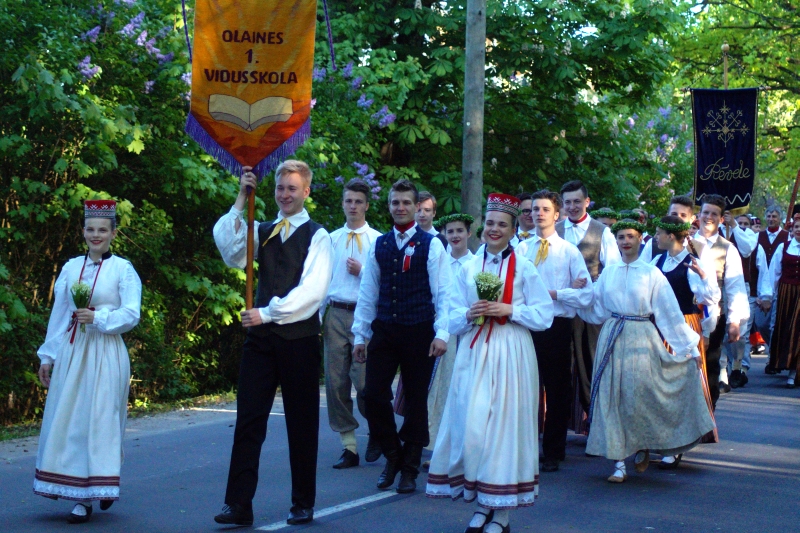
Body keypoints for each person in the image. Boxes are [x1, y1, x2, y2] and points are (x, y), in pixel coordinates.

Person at [212, 161, 333, 527]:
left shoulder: (318, 236)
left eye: (292, 188)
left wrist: (266, 313)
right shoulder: (261, 229)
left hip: (298, 340)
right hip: (261, 342)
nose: (284, 194)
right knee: (249, 420)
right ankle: (238, 504)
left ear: (306, 191)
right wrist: (241, 198)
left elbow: (312, 293)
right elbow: (230, 251)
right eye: (280, 188)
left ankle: (302, 502)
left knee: (301, 423)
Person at [427, 193, 554, 533]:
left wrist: (509, 309)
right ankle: (482, 501)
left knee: (504, 428)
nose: (494, 229)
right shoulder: (468, 267)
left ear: (513, 230)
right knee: (473, 427)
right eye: (490, 223)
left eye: (502, 224)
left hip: (511, 351)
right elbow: (450, 315)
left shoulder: (524, 267)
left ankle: (500, 512)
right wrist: (469, 314)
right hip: (473, 352)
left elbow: (544, 315)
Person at [580, 219, 715, 483]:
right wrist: (570, 295)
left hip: (641, 336)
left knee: (638, 396)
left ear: (641, 239)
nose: (625, 241)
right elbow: (595, 308)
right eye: (621, 237)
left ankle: (641, 443)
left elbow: (669, 314)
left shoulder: (651, 273)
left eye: (630, 236)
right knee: (612, 398)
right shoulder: (609, 273)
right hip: (611, 336)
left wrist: (689, 348)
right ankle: (618, 462)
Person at [35, 200, 142, 523]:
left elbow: (131, 313)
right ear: (83, 231)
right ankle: (82, 496)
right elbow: (59, 315)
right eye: (91, 229)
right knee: (73, 420)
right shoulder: (70, 268)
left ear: (113, 233)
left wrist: (99, 318)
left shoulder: (123, 269)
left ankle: (102, 480)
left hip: (106, 351)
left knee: (103, 419)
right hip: (73, 350)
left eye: (102, 230)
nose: (96, 235)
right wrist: (48, 355)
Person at [352, 179, 452, 494]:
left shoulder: (432, 244)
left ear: (416, 206)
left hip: (419, 329)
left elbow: (444, 293)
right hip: (384, 329)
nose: (400, 207)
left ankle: (409, 467)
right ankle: (393, 455)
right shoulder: (379, 244)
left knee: (416, 400)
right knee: (372, 394)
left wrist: (442, 333)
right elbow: (368, 291)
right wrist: (360, 335)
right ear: (389, 206)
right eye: (395, 202)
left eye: (406, 202)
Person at [517, 190, 593, 473]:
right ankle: (523, 449)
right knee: (524, 389)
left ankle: (553, 451)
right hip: (527, 325)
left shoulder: (568, 251)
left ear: (557, 215)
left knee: (557, 389)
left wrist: (556, 293)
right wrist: (561, 291)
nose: (538, 214)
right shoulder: (522, 249)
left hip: (556, 325)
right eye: (534, 209)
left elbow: (586, 295)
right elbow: (515, 287)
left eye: (545, 209)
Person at [651, 216, 721, 467]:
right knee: (658, 385)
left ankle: (676, 443)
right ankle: (656, 438)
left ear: (671, 236)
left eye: (658, 233)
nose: (655, 237)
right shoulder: (657, 261)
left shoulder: (692, 263)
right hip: (659, 326)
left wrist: (704, 277)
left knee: (681, 385)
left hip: (683, 325)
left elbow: (711, 297)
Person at [323, 179, 383, 469]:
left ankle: (377, 430)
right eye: (349, 201)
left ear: (367, 205)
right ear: (343, 204)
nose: (353, 206)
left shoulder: (377, 240)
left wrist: (363, 271)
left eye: (358, 201)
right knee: (336, 382)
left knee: (365, 383)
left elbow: (385, 283)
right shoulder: (330, 239)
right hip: (335, 312)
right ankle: (348, 445)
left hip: (365, 315)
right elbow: (321, 280)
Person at [556, 180, 620, 433]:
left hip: (590, 311)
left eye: (576, 201)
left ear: (587, 202)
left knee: (590, 366)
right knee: (560, 369)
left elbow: (612, 271)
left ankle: (598, 425)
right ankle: (559, 429)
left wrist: (591, 290)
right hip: (560, 309)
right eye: (567, 202)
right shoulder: (555, 230)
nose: (572, 206)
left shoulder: (602, 232)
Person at [692, 194, 750, 406]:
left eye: (714, 214)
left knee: (710, 366)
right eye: (705, 212)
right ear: (698, 215)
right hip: (683, 314)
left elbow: (735, 287)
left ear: (721, 219)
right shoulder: (685, 242)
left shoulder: (728, 248)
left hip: (713, 316)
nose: (709, 217)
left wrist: (735, 322)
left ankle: (708, 410)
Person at [426, 213, 475, 456]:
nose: (455, 235)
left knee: (462, 391)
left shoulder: (475, 264)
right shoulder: (438, 260)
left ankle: (462, 445)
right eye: (450, 231)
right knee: (437, 391)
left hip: (466, 334)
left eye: (459, 231)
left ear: (469, 233)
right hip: (438, 332)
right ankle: (435, 443)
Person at [765, 218, 800, 387]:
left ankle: (794, 373)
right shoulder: (783, 247)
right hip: (787, 294)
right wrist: (767, 296)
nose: (799, 230)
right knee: (787, 330)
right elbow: (774, 273)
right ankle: (788, 366)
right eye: (797, 227)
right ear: (792, 229)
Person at [757, 206, 791, 374]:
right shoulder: (758, 237)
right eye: (769, 216)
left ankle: (773, 359)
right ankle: (775, 349)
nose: (771, 219)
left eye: (774, 216)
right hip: (761, 285)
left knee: (774, 325)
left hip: (781, 286)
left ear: (780, 218)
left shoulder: (787, 237)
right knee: (761, 323)